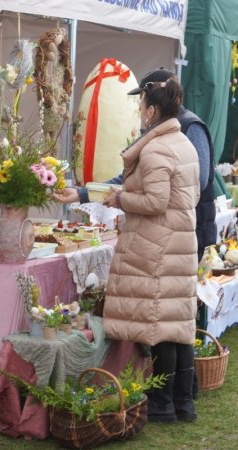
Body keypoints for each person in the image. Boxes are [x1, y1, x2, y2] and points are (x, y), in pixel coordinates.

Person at [54, 77, 200, 423]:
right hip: (177, 242)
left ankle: (163, 404)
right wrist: (89, 193)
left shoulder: (156, 149)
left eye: (141, 107)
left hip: (157, 245)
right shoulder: (183, 143)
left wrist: (121, 199)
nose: (139, 113)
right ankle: (183, 403)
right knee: (177, 326)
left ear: (152, 110)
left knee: (159, 327)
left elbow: (155, 200)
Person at [106, 68, 217, 261]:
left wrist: (135, 197)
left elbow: (199, 180)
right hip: (161, 233)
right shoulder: (156, 131)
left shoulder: (191, 125)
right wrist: (88, 191)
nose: (140, 105)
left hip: (185, 230)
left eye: (142, 97)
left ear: (155, 102)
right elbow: (140, 173)